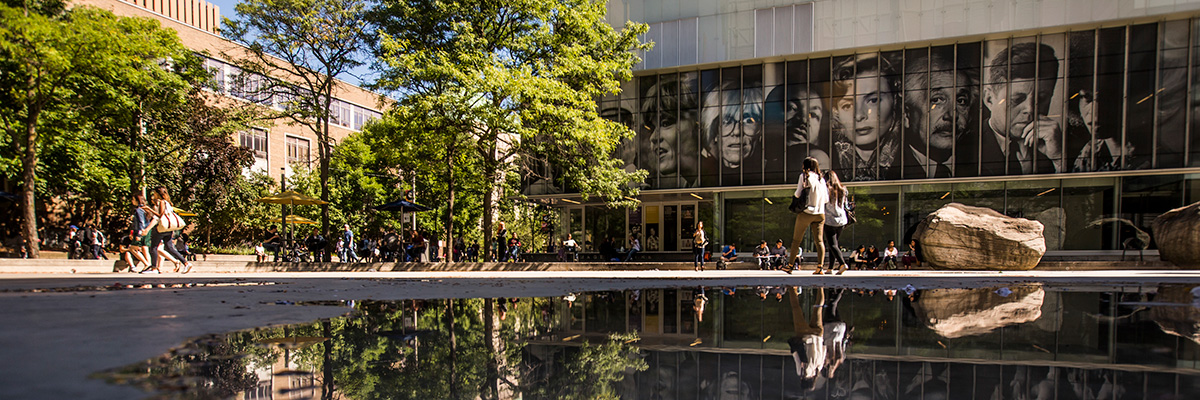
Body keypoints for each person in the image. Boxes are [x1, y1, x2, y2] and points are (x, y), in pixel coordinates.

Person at [980, 42, 1065, 176]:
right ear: (989, 99)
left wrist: (1059, 161)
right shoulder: (964, 148)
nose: (1030, 109)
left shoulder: (1057, 147)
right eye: (1017, 99)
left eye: (1041, 99)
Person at [902, 51, 978, 179]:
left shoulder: (982, 169)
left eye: (961, 101)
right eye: (937, 100)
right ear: (906, 114)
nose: (951, 115)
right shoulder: (885, 170)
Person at [831, 54, 903, 181]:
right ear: (836, 111)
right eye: (847, 106)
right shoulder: (824, 160)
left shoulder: (913, 157)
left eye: (873, 100)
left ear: (895, 99)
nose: (859, 115)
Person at [642, 74, 702, 188]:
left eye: (665, 123)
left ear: (697, 125)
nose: (653, 137)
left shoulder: (716, 180)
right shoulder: (689, 185)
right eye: (652, 128)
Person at [703, 82, 764, 185]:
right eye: (727, 121)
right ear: (715, 132)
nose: (737, 131)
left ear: (760, 131)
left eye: (748, 120)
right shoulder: (704, 177)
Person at [789, 157, 828, 274]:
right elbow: (826, 199)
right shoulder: (822, 179)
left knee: (796, 240)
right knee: (819, 241)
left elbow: (797, 193)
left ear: (805, 166)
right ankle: (820, 267)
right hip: (820, 213)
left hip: (807, 212)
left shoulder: (804, 176)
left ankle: (790, 266)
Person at [141, 187, 191, 274]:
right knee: (169, 248)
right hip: (169, 228)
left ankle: (154, 268)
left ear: (158, 193)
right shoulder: (168, 203)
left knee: (153, 247)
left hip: (161, 228)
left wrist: (149, 209)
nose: (154, 195)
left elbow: (160, 215)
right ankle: (186, 263)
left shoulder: (162, 202)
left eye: (155, 193)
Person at [787, 286, 826, 390]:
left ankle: (821, 287)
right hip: (804, 336)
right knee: (796, 308)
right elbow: (795, 355)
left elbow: (824, 349)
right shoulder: (801, 372)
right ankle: (791, 288)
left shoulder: (819, 369)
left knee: (818, 308)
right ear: (802, 381)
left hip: (818, 336)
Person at [822, 170, 849, 275]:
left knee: (832, 244)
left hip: (829, 220)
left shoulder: (826, 190)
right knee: (834, 244)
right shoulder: (843, 190)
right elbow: (845, 205)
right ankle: (830, 268)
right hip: (841, 220)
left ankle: (842, 264)